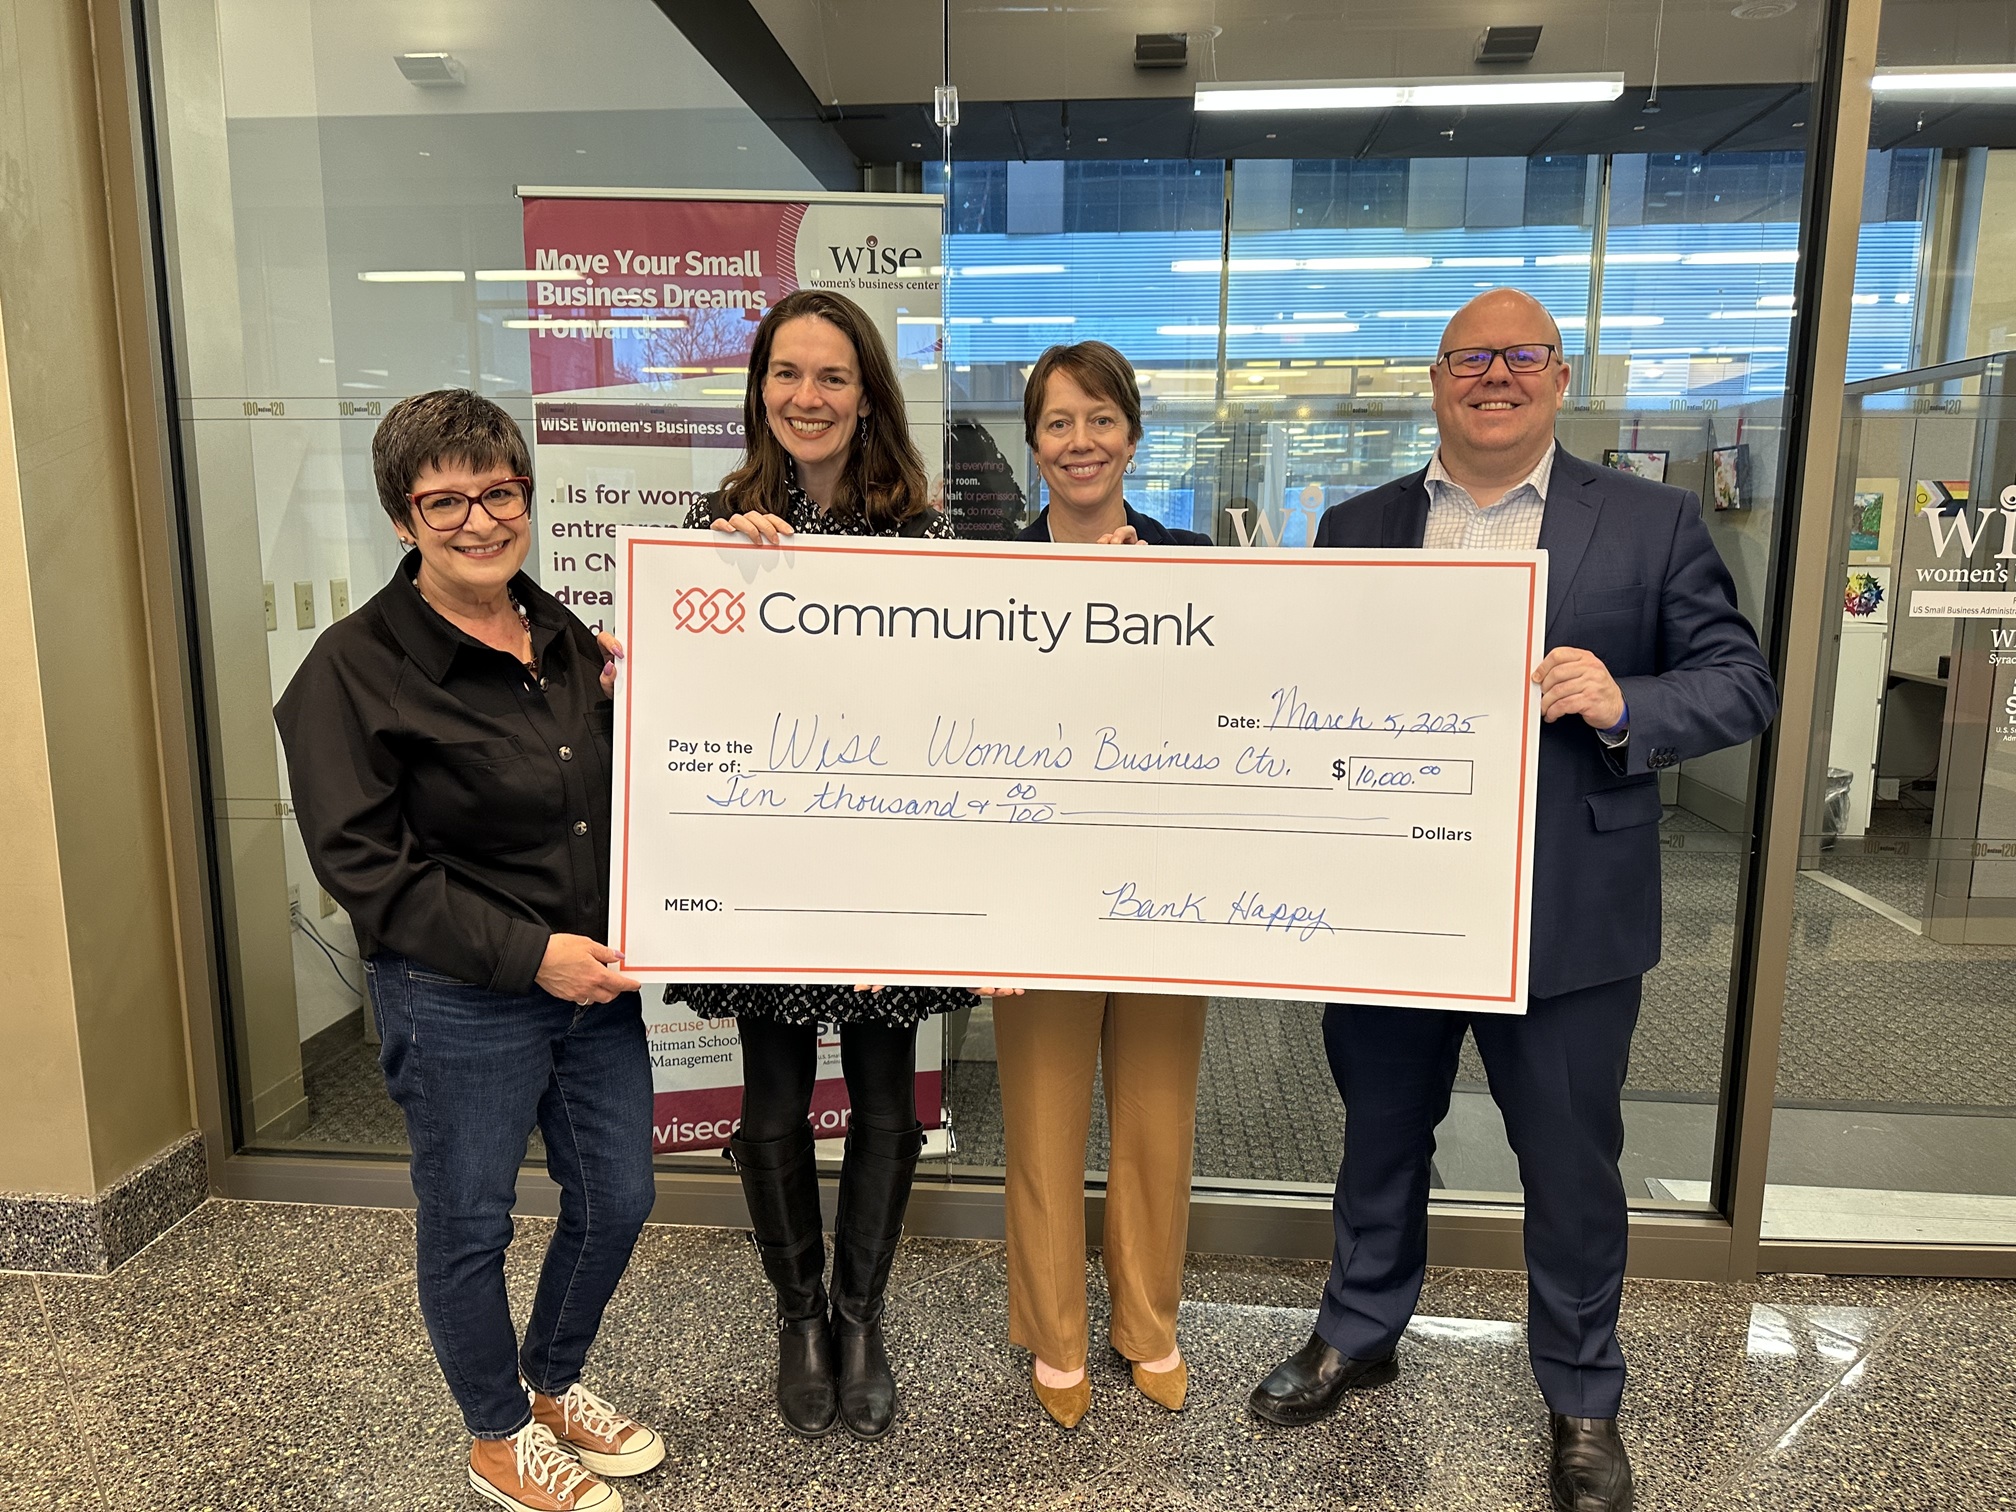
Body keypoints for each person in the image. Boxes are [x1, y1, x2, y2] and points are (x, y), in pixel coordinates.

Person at [1246, 289, 1776, 1512]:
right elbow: (1303, 684)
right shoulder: (1359, 522)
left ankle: (1584, 1396)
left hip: (1571, 916)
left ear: (1558, 375)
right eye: (1469, 358)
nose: (1495, 375)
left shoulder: (1650, 522)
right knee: (1380, 1133)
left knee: (1572, 1164)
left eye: (1520, 356)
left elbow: (1739, 683)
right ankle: (1358, 1329)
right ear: (1435, 381)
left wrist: (1626, 698)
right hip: (1395, 901)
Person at [277, 390, 662, 1512]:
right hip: (458, 998)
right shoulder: (349, 671)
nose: (479, 520)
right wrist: (533, 954)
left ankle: (549, 1383)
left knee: (620, 1198)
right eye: (445, 500)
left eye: (500, 493)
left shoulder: (569, 641)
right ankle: (496, 1434)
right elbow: (367, 870)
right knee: (469, 1221)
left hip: (592, 985)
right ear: (402, 518)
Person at [676, 289, 971, 1442]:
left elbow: (962, 700)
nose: (808, 397)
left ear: (867, 396)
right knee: (774, 1102)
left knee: (891, 1105)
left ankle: (862, 1316)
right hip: (771, 869)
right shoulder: (722, 523)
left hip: (890, 863)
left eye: (832, 376)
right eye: (787, 375)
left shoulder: (927, 531)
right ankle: (797, 1317)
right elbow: (685, 690)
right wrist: (716, 574)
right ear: (760, 391)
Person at [996, 340, 1213, 1430]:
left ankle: (1148, 1324)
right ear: (1033, 444)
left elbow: (1230, 723)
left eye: (1100, 420)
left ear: (1133, 433)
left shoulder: (1193, 561)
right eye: (1057, 424)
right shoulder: (993, 574)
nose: (1080, 443)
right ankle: (1054, 1333)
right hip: (1038, 889)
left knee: (1157, 1116)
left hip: (1165, 887)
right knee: (1038, 1119)